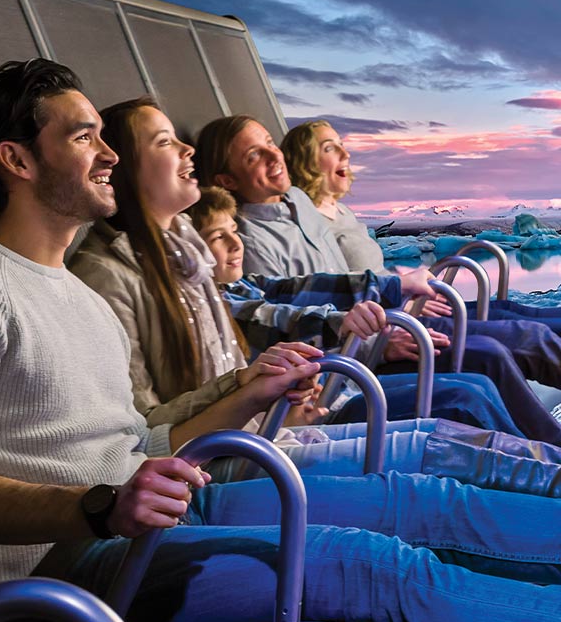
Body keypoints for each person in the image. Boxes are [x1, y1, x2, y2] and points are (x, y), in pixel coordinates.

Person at [0, 59, 561, 622]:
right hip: (53, 591)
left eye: (105, 137)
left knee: (427, 499)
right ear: (17, 161)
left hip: (151, 517)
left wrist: (247, 392)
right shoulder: (5, 288)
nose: (106, 155)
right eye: (82, 137)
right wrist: (94, 508)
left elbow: (139, 443)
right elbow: (109, 477)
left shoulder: (76, 293)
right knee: (372, 565)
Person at [67, 97, 545, 490]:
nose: (186, 150)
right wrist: (264, 392)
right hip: (245, 452)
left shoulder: (184, 251)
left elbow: (274, 296)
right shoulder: (115, 278)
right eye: (166, 142)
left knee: (501, 355)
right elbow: (144, 429)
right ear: (123, 168)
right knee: (464, 402)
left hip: (276, 419)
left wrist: (257, 385)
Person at [194, 114, 561, 445]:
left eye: (270, 144)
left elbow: (332, 283)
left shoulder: (296, 203)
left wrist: (397, 290)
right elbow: (289, 328)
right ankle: (549, 456)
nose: (275, 158)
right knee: (496, 357)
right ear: (226, 180)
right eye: (253, 156)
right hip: (357, 352)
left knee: (526, 322)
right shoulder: (246, 242)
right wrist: (381, 340)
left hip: (384, 319)